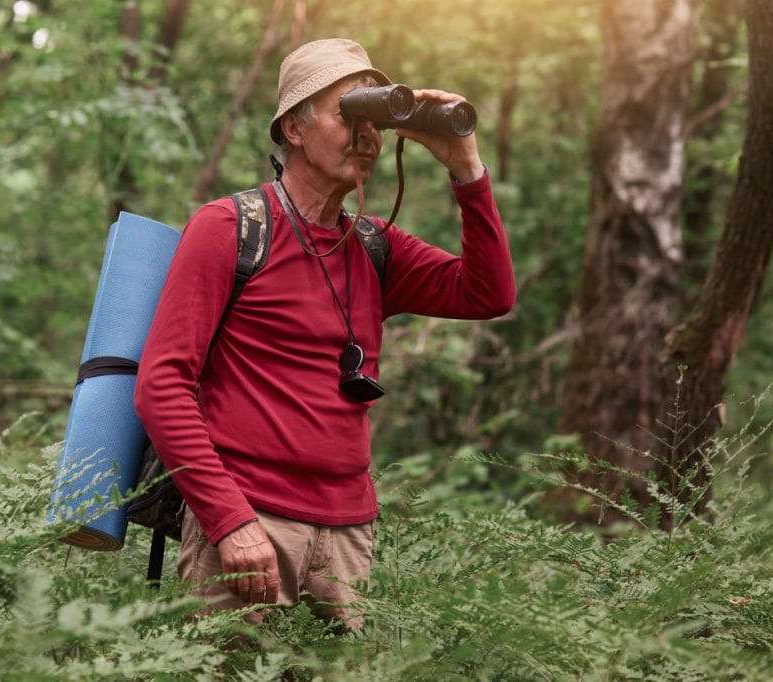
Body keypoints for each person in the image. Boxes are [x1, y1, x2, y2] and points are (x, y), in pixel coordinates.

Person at [133, 38, 515, 628]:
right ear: (293, 127)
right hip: (248, 522)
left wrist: (466, 167)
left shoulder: (374, 245)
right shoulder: (228, 229)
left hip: (346, 536)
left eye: (375, 120)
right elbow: (162, 387)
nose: (367, 135)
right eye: (349, 114)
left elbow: (488, 294)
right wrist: (228, 519)